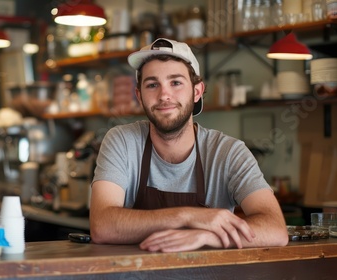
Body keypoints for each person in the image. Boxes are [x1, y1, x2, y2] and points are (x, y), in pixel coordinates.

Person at [89, 38, 288, 252]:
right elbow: (102, 226)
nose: (164, 95)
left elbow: (276, 229)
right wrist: (188, 216)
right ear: (139, 95)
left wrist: (207, 235)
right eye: (152, 84)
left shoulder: (228, 152)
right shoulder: (121, 141)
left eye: (175, 82)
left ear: (197, 92)